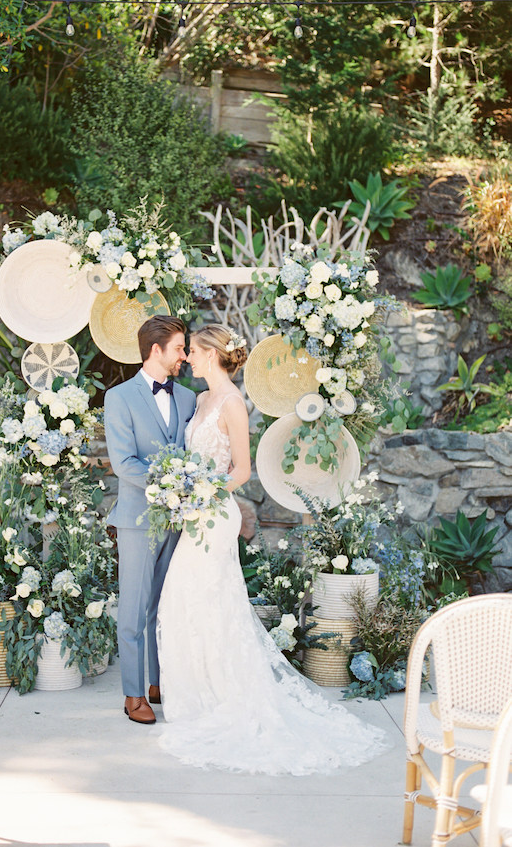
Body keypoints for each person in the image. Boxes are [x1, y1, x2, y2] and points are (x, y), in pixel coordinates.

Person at [156, 323, 388, 775]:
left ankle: (222, 696)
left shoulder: (232, 403)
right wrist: (181, 489)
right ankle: (199, 695)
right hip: (194, 513)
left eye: (194, 352)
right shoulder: (201, 400)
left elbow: (242, 470)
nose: (187, 358)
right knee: (185, 602)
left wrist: (200, 489)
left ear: (212, 354)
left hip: (214, 512)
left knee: (203, 598)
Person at [104, 315, 197, 725]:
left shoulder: (190, 399)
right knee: (135, 607)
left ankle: (159, 683)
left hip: (179, 522)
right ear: (155, 350)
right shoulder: (119, 398)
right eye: (179, 348)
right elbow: (124, 464)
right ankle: (133, 694)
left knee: (165, 605)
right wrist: (170, 485)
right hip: (137, 519)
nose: (185, 356)